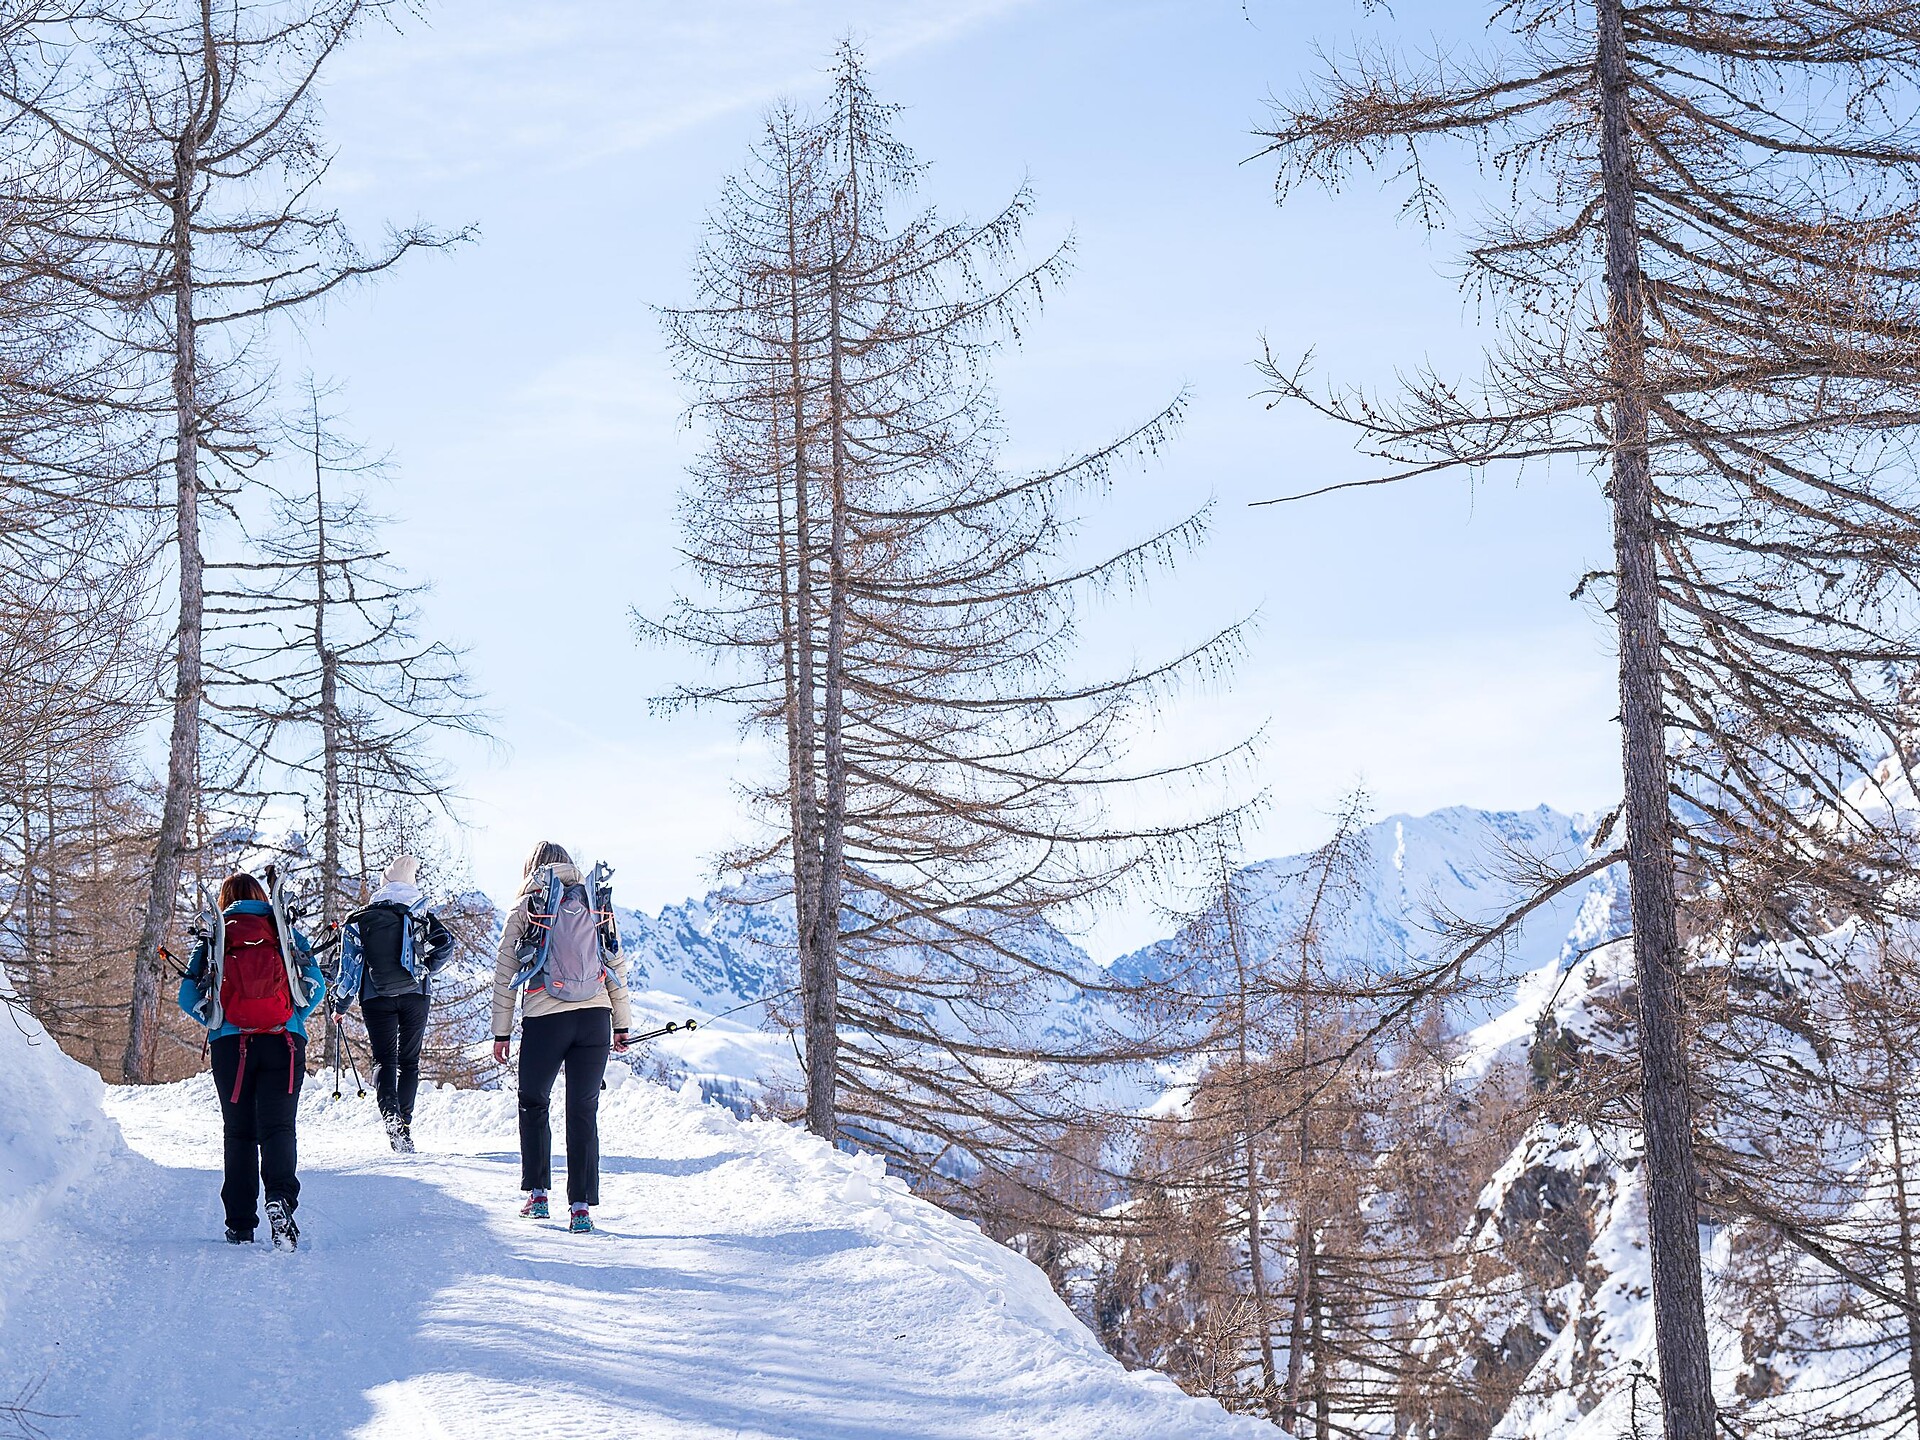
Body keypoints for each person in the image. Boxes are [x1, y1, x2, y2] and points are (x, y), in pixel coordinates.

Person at [178, 870, 326, 1250]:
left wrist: (218, 1021)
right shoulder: (282, 928)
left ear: (226, 900)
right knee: (279, 1128)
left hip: (231, 1047)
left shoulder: (216, 935)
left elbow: (186, 996)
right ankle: (280, 1200)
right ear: (262, 895)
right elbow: (315, 984)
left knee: (239, 1133)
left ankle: (241, 1223)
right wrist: (288, 1019)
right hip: (284, 1042)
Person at [491, 840, 630, 1234]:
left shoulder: (527, 905)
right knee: (583, 1109)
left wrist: (501, 1032)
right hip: (595, 1017)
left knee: (534, 1101)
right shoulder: (594, 901)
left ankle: (537, 1196)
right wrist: (621, 1024)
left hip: (546, 1017)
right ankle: (581, 1207)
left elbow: (505, 974)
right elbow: (615, 960)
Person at [332, 854, 454, 1153]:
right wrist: (427, 967)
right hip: (416, 993)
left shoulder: (361, 917)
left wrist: (341, 1006)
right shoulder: (420, 912)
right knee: (409, 1061)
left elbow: (351, 966)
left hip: (376, 997)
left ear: (383, 883)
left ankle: (391, 1116)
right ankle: (406, 1124)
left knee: (384, 1060)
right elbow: (446, 943)